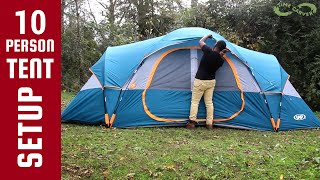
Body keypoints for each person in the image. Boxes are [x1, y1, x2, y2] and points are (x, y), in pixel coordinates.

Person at [186, 34, 228, 129]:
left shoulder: (209, 51)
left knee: (195, 102)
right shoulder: (221, 60)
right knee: (209, 103)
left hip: (200, 80)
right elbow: (218, 57)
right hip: (211, 82)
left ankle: (192, 122)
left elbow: (200, 42)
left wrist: (207, 36)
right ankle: (209, 123)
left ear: (216, 45)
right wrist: (223, 53)